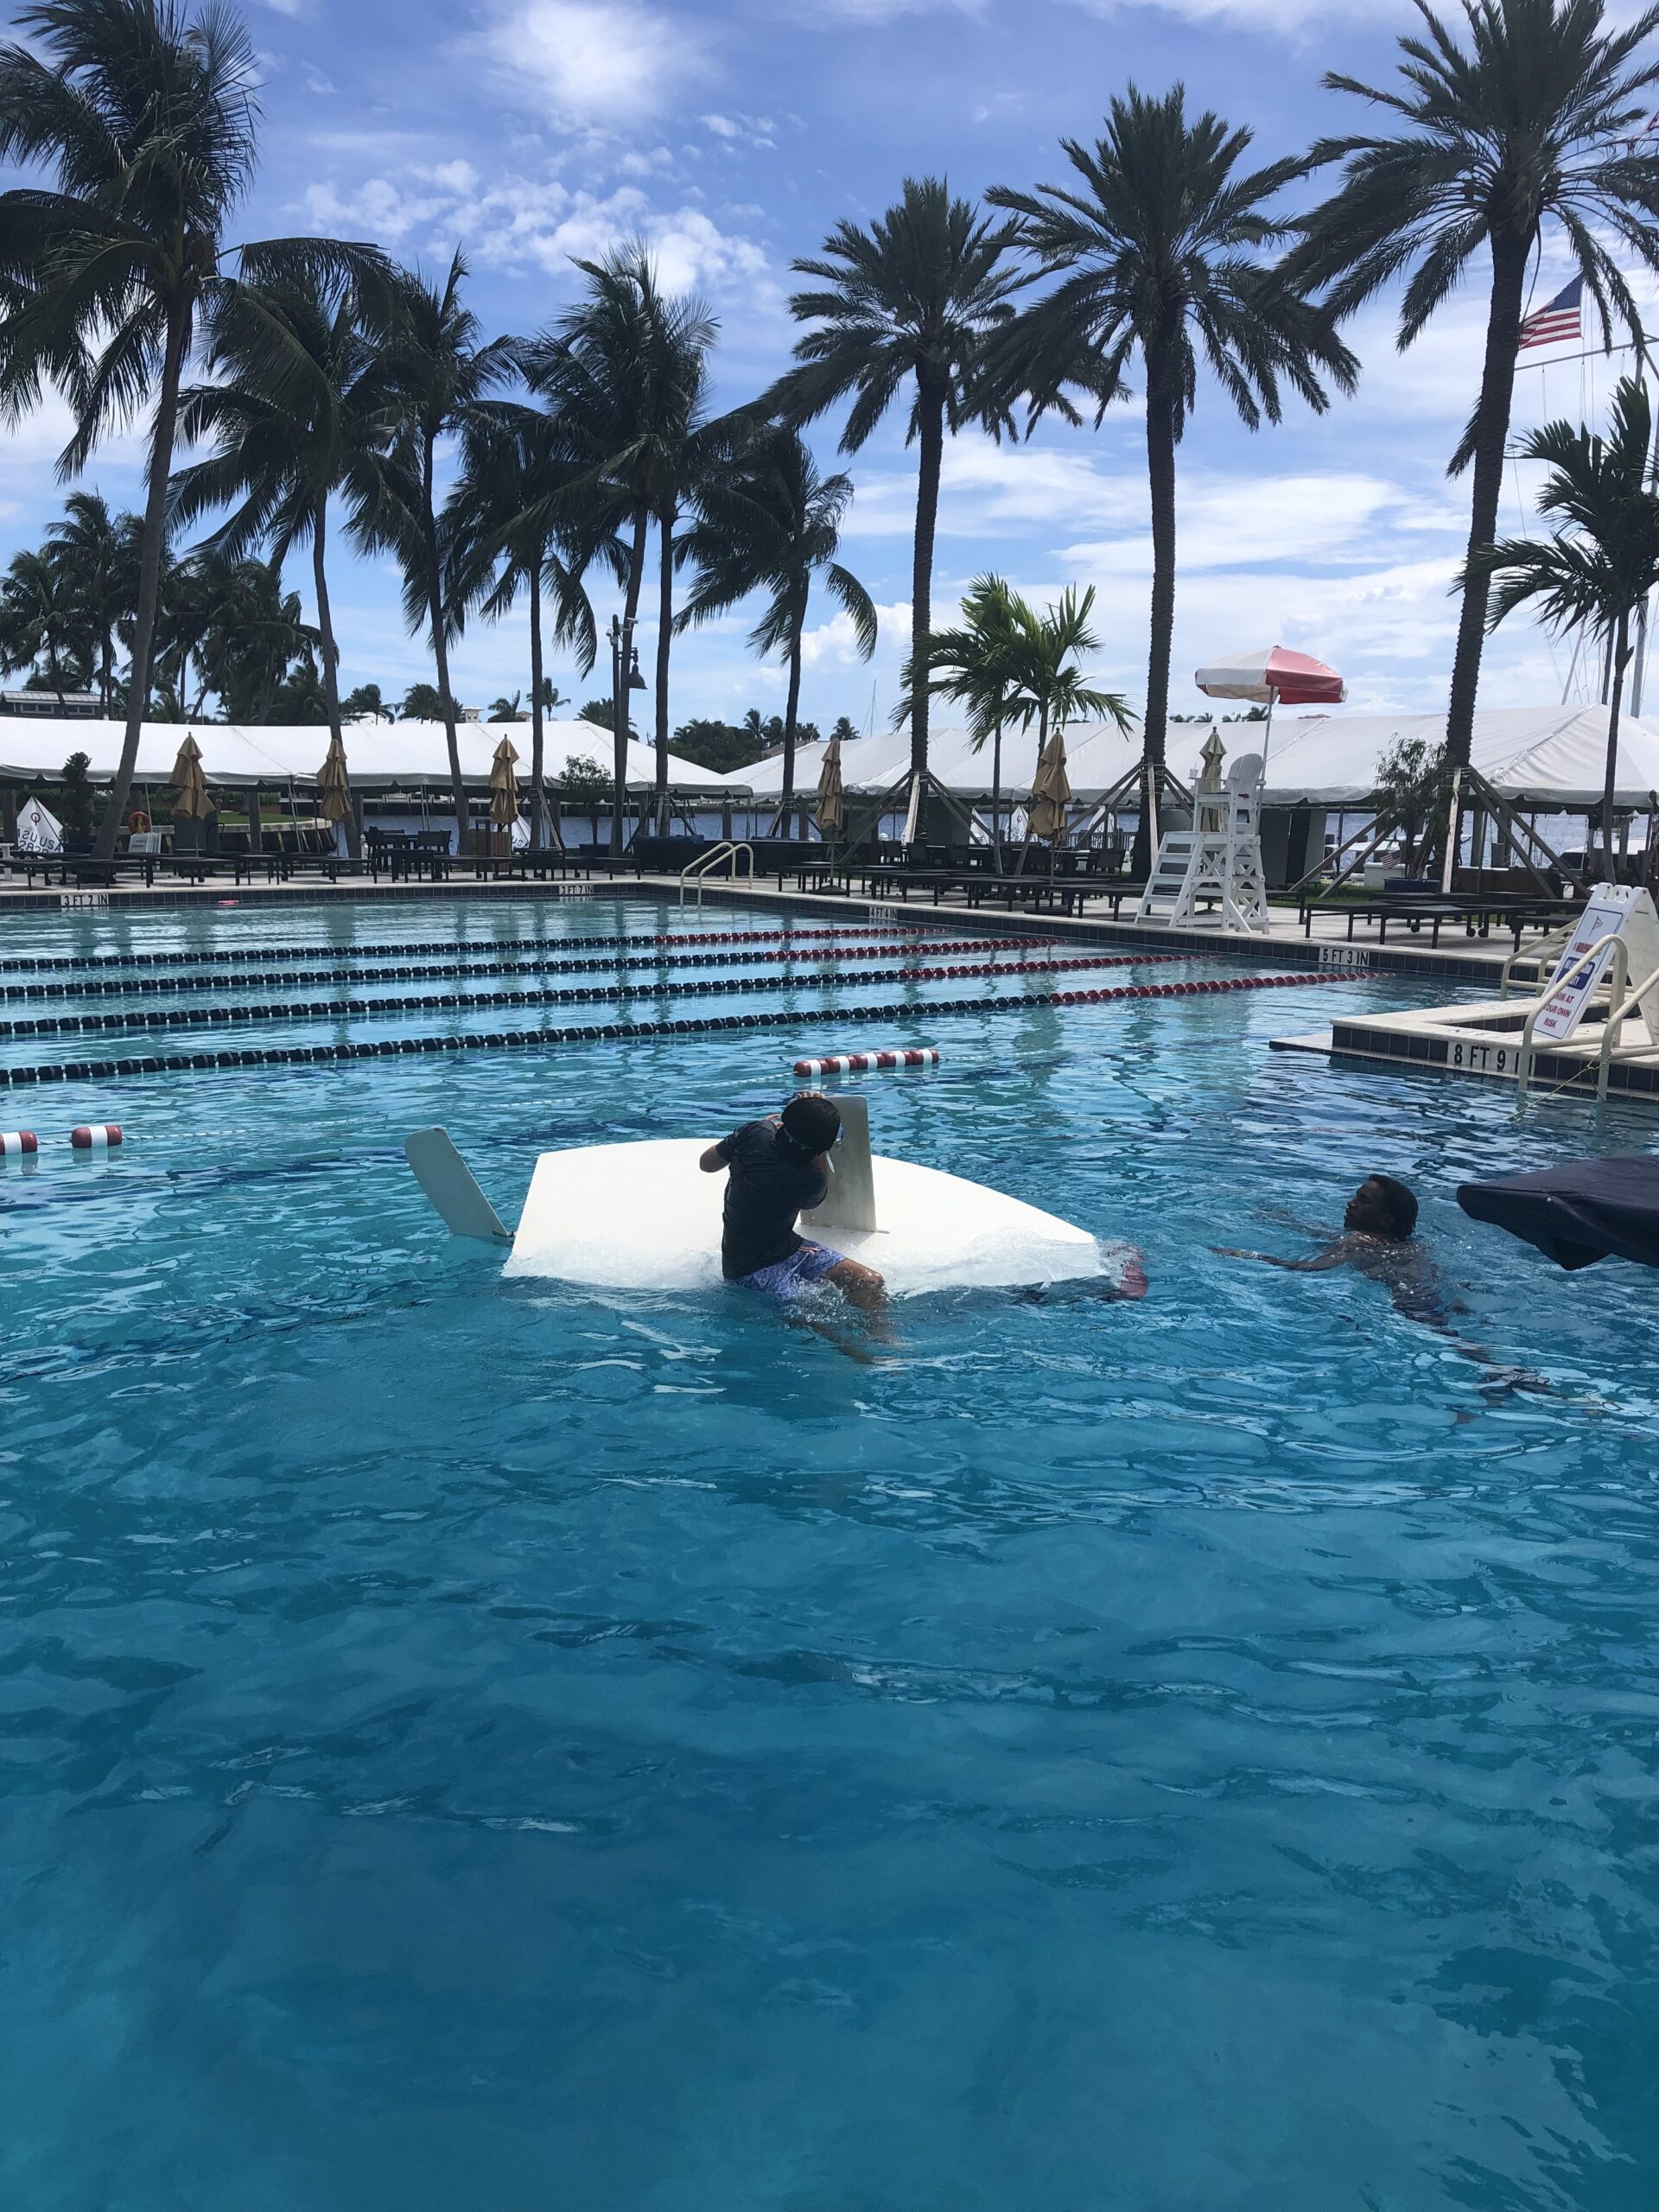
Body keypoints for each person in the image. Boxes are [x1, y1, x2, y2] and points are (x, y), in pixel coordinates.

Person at [700, 1093, 887, 1313]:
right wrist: (811, 1120)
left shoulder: (755, 1133)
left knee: (863, 1286)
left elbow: (707, 1164)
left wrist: (802, 1112)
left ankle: (874, 1337)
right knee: (847, 1296)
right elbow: (815, 1195)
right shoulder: (810, 1180)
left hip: (790, 1248)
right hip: (751, 1270)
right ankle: (874, 1334)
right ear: (821, 1150)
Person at [1213, 1174, 1450, 1322]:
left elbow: (1310, 1268)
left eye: (1363, 1201)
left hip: (1409, 1303)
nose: (1351, 1203)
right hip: (1432, 1295)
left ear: (1386, 1219)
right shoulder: (1408, 1246)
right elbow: (1329, 1234)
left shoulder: (1356, 1241)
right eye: (1356, 1196)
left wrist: (1246, 1255)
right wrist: (1286, 1221)